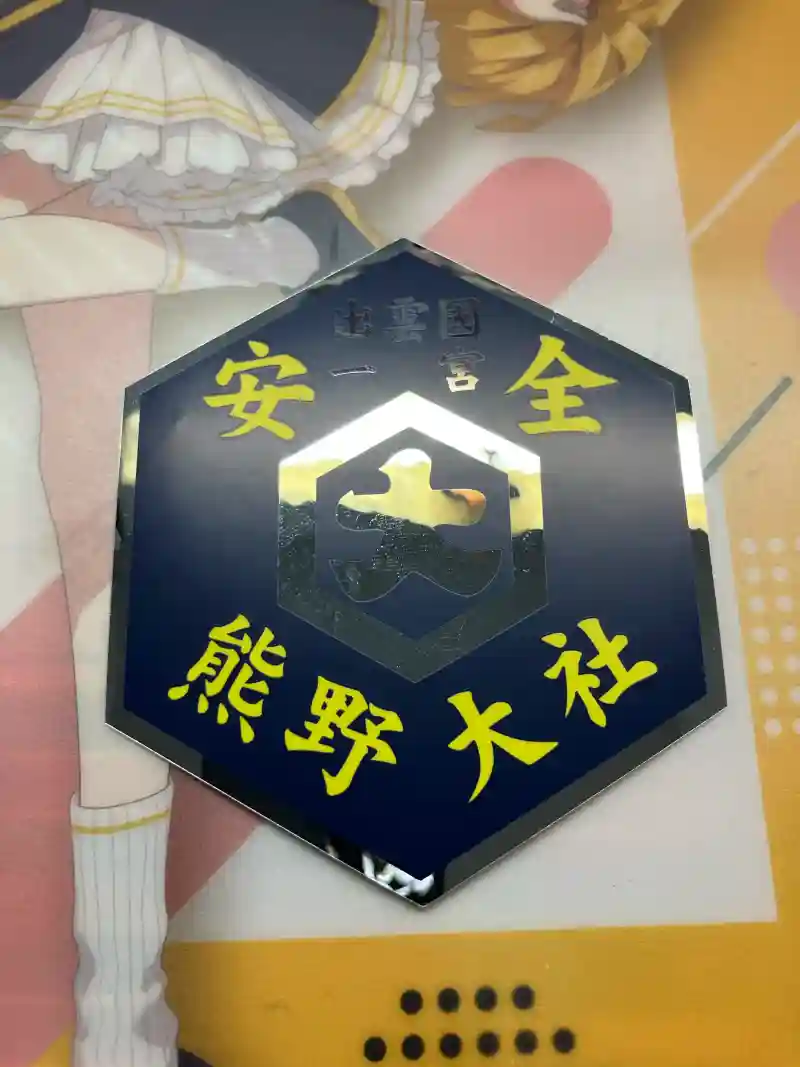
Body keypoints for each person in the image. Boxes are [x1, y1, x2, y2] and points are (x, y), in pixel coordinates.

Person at [0, 1, 685, 1064]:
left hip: (166, 98)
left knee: (108, 562)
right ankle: (119, 1020)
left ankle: (121, 1020)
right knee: (103, 546)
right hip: (103, 81)